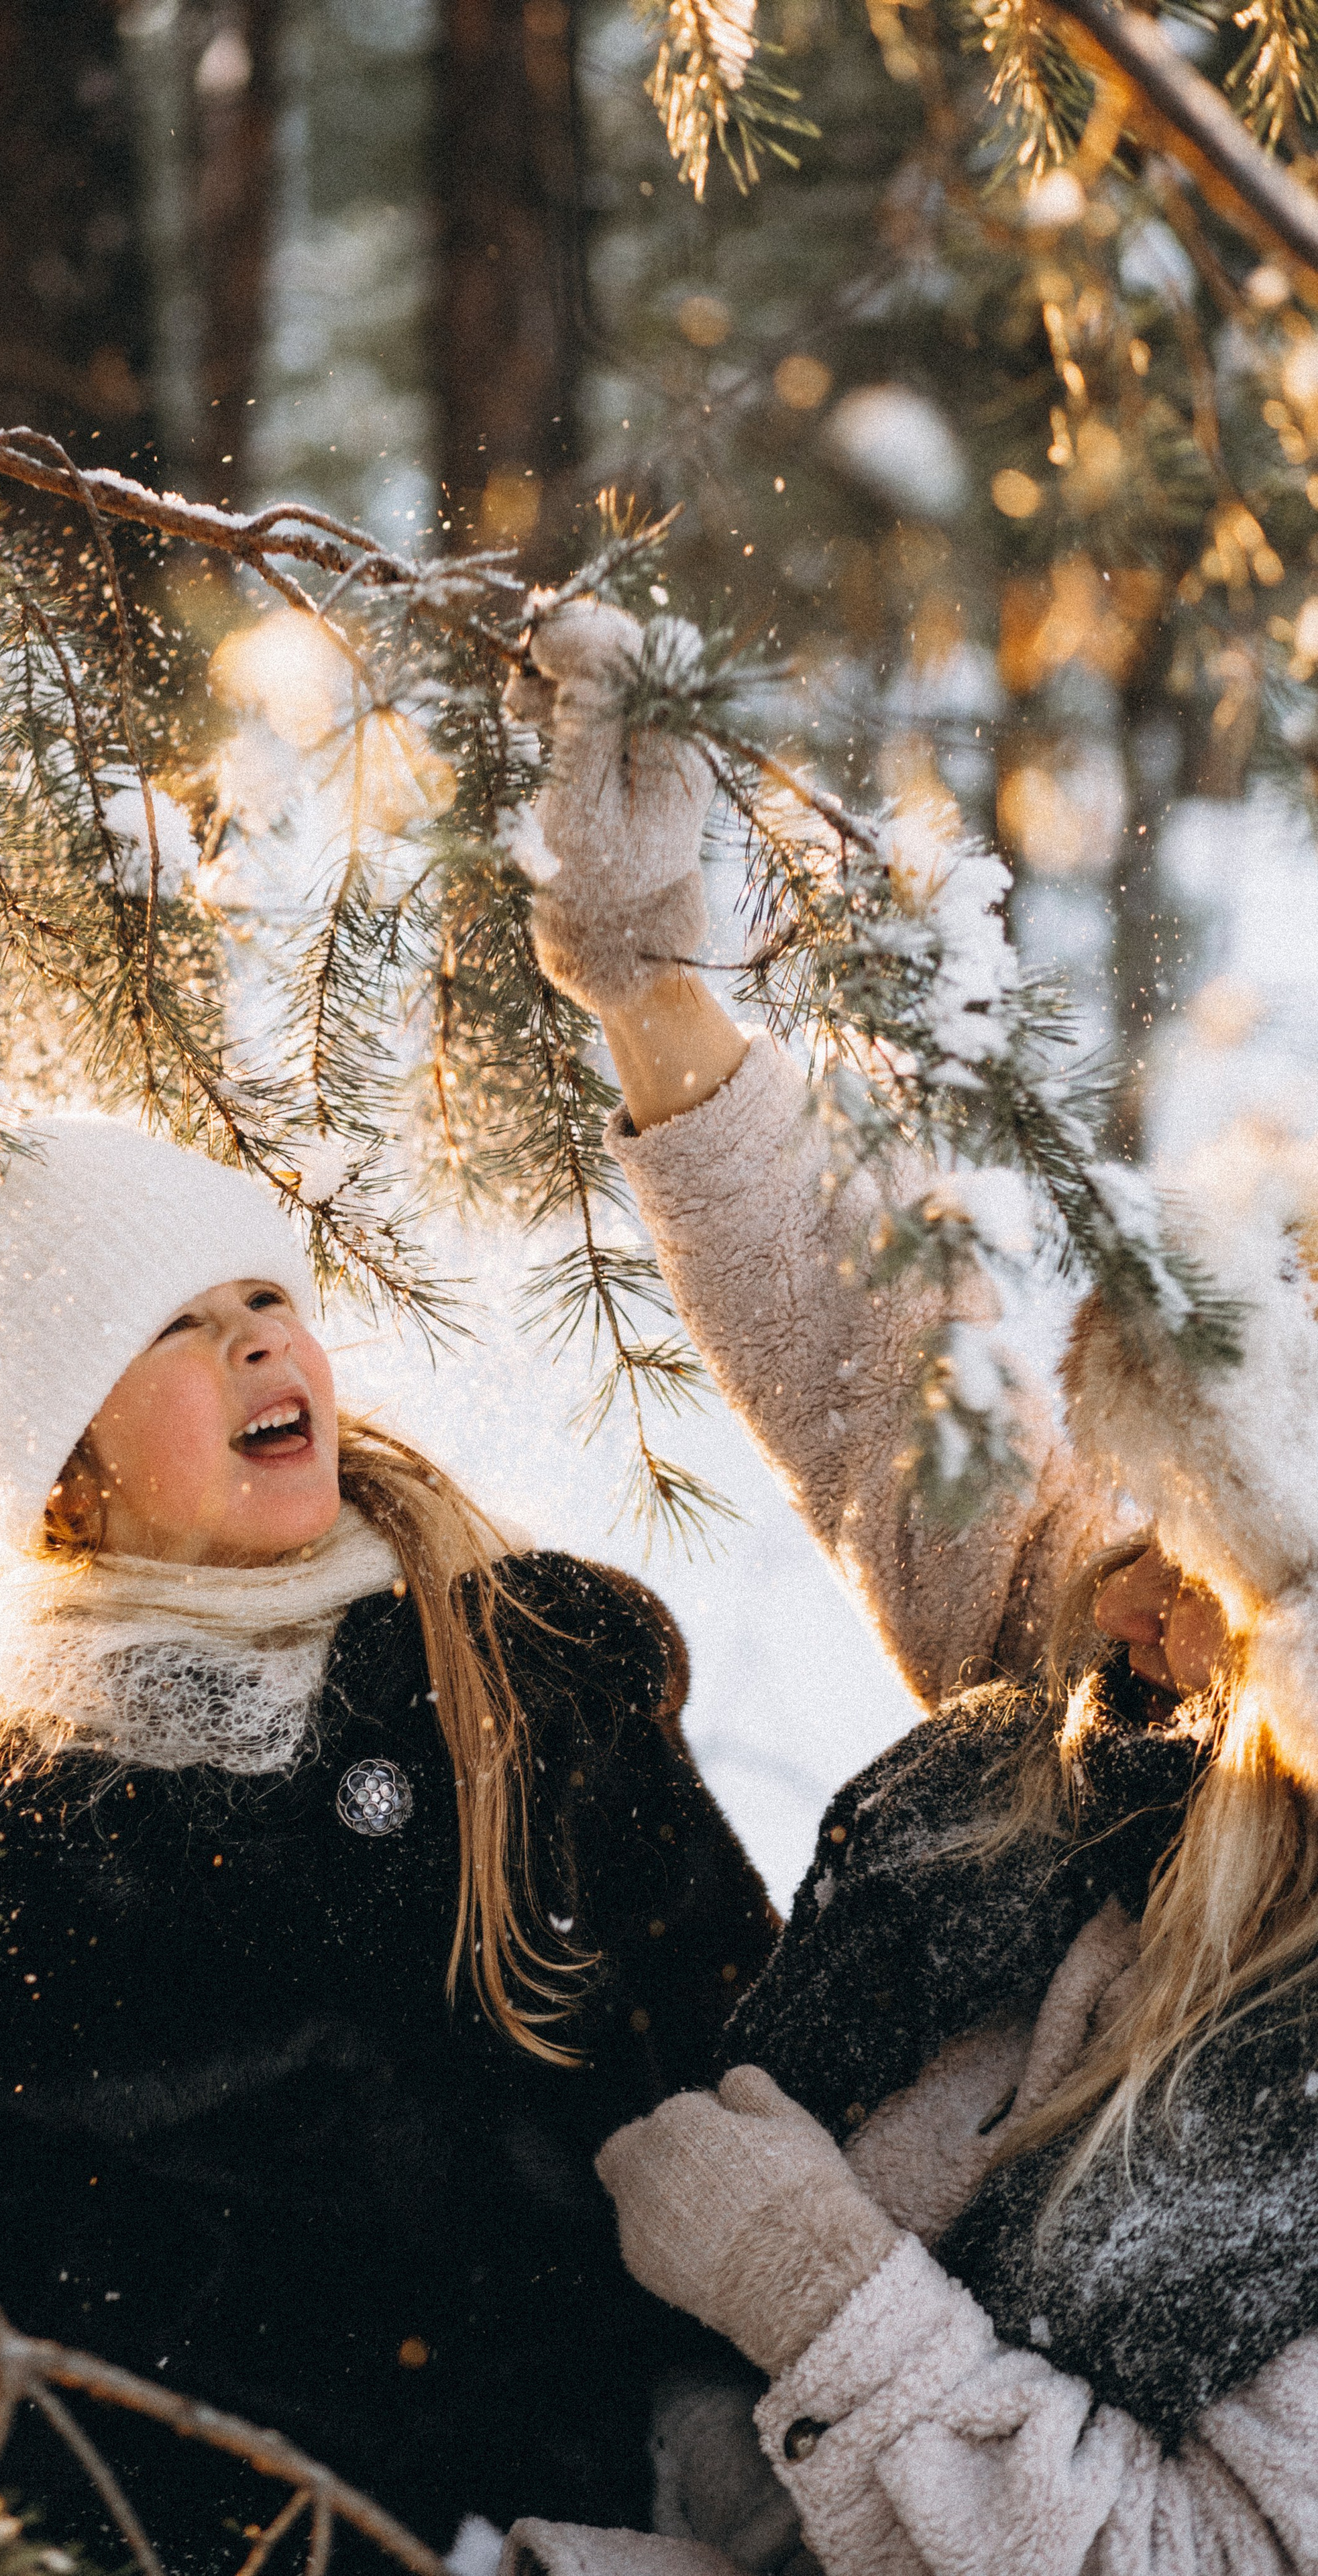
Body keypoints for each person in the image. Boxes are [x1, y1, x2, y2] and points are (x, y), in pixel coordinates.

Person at [493, 599, 1318, 2575]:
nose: (1144, 1599)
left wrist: (824, 2297)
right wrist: (653, 997)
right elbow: (882, 1390)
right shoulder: (1147, 1716)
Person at [0, 1077, 779, 2574]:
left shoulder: (519, 1680)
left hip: (614, 2491)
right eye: (168, 1325)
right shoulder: (4, 1851)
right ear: (66, 1474)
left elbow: (735, 2035)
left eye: (261, 1294)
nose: (253, 1338)